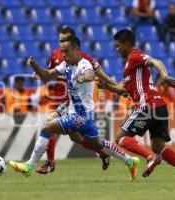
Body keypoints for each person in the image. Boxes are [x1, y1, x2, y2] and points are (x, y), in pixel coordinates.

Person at [10, 36, 140, 181]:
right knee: (98, 143)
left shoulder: (84, 65)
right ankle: (130, 160)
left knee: (47, 126)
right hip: (79, 113)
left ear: (77, 50)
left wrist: (84, 78)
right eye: (62, 52)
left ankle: (29, 165)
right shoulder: (66, 65)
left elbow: (90, 74)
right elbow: (46, 76)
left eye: (67, 51)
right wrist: (35, 66)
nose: (64, 55)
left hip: (80, 116)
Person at [99, 29, 175, 182]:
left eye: (118, 46)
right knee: (158, 146)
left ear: (127, 44)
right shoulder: (128, 65)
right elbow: (122, 89)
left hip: (147, 104)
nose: (116, 49)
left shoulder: (134, 56)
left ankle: (150, 158)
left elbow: (155, 61)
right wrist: (106, 85)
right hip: (159, 106)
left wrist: (164, 75)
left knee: (121, 138)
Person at [35, 27, 115, 174]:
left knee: (48, 124)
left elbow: (102, 76)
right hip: (61, 99)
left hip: (73, 102)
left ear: (72, 43)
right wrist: (39, 74)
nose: (62, 44)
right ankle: (104, 153)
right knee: (76, 138)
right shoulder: (55, 55)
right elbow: (50, 74)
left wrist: (117, 88)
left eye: (65, 41)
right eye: (60, 41)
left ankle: (50, 162)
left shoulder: (85, 59)